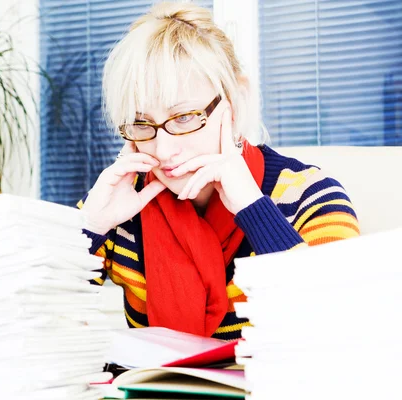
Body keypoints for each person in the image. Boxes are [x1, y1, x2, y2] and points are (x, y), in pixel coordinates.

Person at [78, 1, 360, 341]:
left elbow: (339, 325)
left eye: (183, 118)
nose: (164, 150)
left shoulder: (311, 195)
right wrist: (91, 228)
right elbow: (34, 327)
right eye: (141, 124)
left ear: (236, 99)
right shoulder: (120, 202)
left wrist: (252, 209)